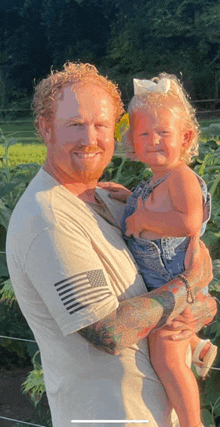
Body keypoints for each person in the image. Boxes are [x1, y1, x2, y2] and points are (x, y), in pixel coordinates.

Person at [6, 63, 216, 427]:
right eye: (75, 125)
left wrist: (201, 304)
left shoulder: (111, 200)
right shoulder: (47, 220)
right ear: (44, 128)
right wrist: (188, 286)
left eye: (101, 125)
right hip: (107, 418)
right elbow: (109, 331)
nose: (91, 138)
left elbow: (179, 263)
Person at [99, 74, 217, 427]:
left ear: (185, 138)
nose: (153, 141)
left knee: (166, 357)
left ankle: (192, 422)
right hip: (163, 282)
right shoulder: (153, 180)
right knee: (170, 348)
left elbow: (189, 223)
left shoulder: (180, 177)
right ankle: (198, 345)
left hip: (177, 278)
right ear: (132, 142)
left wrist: (142, 217)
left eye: (163, 133)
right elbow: (153, 203)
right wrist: (128, 196)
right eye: (144, 134)